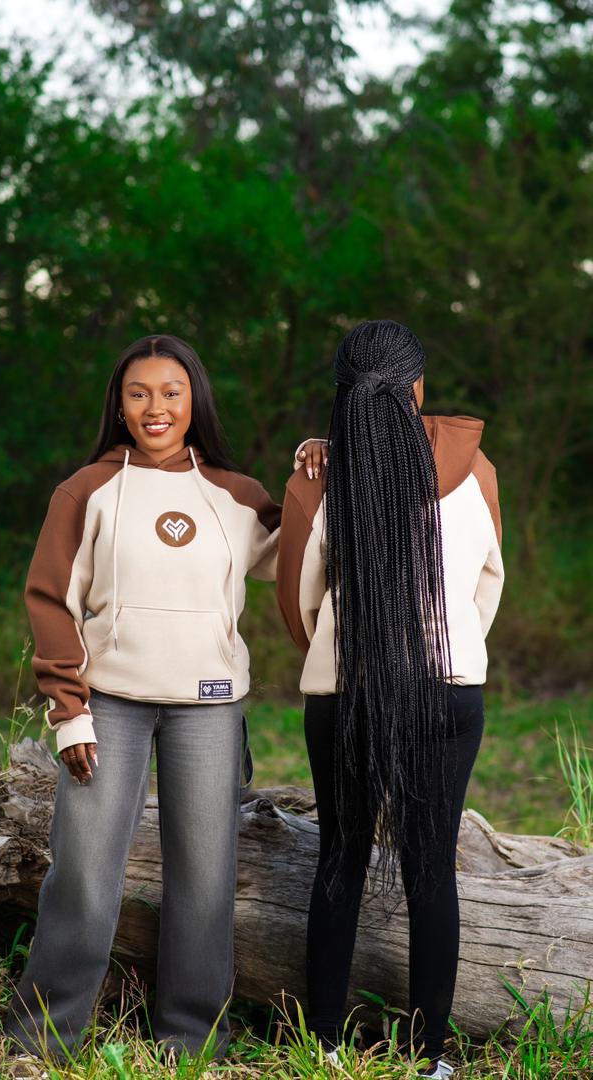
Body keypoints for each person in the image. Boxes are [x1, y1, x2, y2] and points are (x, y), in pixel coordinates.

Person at [5, 333, 290, 1064]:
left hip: (209, 705)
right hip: (109, 705)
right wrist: (69, 710)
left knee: (205, 878)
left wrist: (313, 473)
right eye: (139, 393)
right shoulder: (87, 490)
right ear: (120, 405)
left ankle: (192, 1043)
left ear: (195, 401)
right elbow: (51, 600)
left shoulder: (235, 494)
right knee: (84, 871)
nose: (155, 407)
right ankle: (43, 1041)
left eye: (170, 392)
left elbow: (297, 558)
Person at [277, 320, 504, 1079]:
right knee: (431, 868)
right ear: (419, 388)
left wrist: (339, 651)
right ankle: (430, 1058)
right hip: (450, 688)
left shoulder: (318, 478)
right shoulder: (478, 471)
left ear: (343, 393)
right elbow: (488, 582)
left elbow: (299, 600)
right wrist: (452, 648)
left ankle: (324, 1045)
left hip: (348, 690)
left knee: (340, 858)